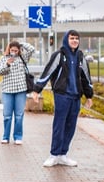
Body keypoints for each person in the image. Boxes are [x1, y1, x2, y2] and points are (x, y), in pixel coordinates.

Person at [30, 30, 94, 167]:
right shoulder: (59, 55)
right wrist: (36, 90)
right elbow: (48, 72)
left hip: (76, 96)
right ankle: (54, 154)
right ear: (67, 39)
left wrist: (89, 95)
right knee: (59, 125)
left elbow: (86, 77)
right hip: (62, 95)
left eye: (77, 38)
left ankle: (63, 155)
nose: (75, 40)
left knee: (71, 126)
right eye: (72, 38)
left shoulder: (81, 57)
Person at [0, 40, 36, 144]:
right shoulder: (3, 59)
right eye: (12, 49)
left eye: (15, 50)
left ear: (19, 51)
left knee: (19, 115)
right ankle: (5, 136)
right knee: (7, 115)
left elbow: (32, 49)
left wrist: (21, 43)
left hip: (20, 90)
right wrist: (7, 64)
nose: (13, 52)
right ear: (8, 49)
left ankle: (18, 137)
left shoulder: (23, 58)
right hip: (7, 90)